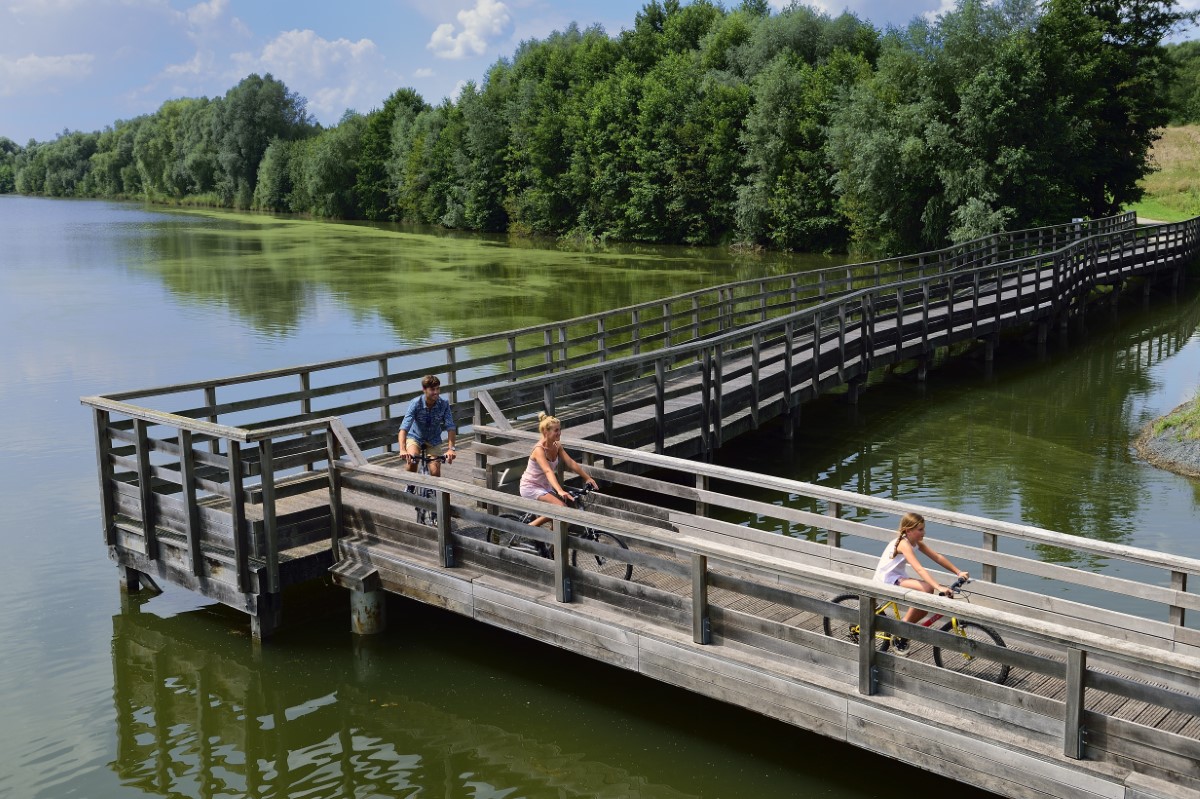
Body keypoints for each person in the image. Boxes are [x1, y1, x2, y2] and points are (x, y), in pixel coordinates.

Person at [873, 512, 969, 655]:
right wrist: (938, 586)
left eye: (923, 528)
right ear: (908, 530)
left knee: (924, 605)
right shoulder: (904, 544)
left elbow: (937, 557)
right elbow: (918, 568)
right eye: (920, 529)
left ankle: (903, 632)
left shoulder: (915, 542)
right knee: (928, 588)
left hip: (898, 577)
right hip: (887, 579)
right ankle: (902, 628)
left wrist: (958, 572)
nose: (924, 532)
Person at [519, 412, 598, 529]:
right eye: (556, 430)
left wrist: (587, 477)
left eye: (560, 430)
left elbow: (570, 462)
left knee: (558, 517)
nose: (559, 433)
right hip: (531, 487)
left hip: (545, 486)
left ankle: (551, 546)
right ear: (546, 432)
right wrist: (560, 490)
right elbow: (548, 471)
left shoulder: (557, 446)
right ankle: (528, 528)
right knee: (561, 508)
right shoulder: (539, 450)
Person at [398, 375, 456, 477]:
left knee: (435, 472)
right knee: (412, 461)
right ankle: (410, 486)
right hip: (415, 437)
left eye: (438, 389)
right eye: (432, 389)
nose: (436, 392)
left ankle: (433, 491)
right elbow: (403, 429)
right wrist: (402, 449)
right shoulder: (416, 403)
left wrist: (451, 449)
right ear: (424, 390)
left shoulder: (444, 404)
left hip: (434, 439)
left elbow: (450, 427)